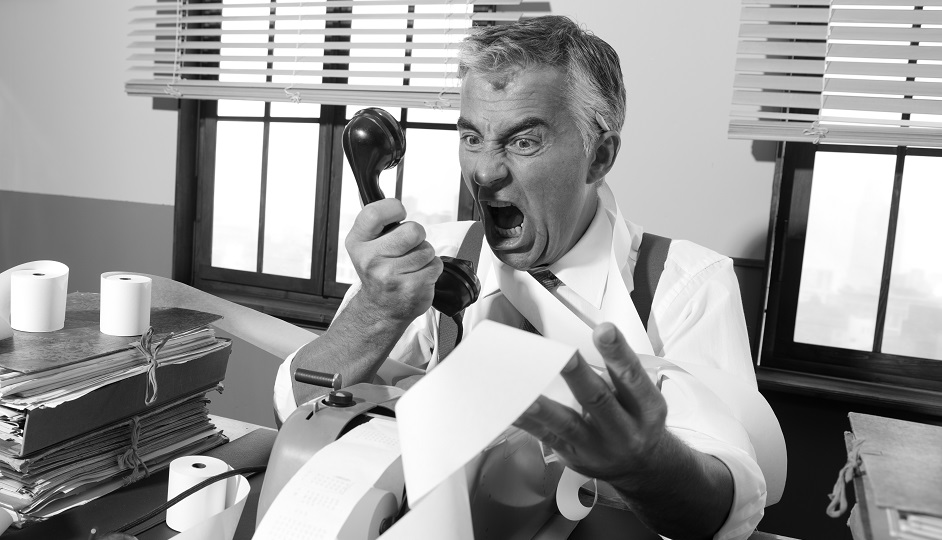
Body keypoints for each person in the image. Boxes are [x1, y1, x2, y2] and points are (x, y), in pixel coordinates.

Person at [274, 15, 777, 540]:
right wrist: (375, 313)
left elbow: (728, 510)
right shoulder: (429, 260)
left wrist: (644, 464)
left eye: (524, 142)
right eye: (472, 136)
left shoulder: (687, 285)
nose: (485, 173)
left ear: (599, 155)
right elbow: (296, 410)